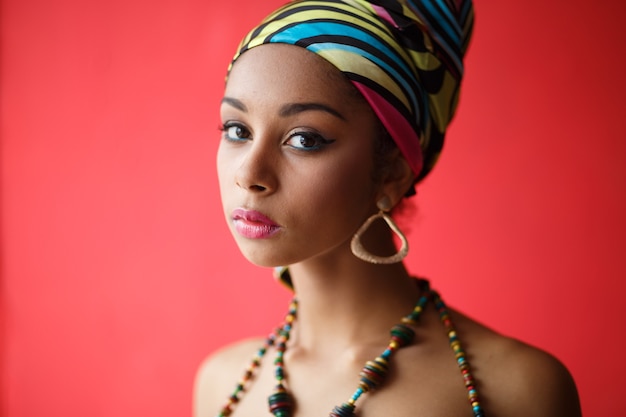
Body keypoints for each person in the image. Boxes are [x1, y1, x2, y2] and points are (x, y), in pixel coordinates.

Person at [194, 0, 582, 416]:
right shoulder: (223, 383)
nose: (249, 173)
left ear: (392, 172)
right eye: (237, 130)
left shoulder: (520, 390)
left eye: (305, 139)